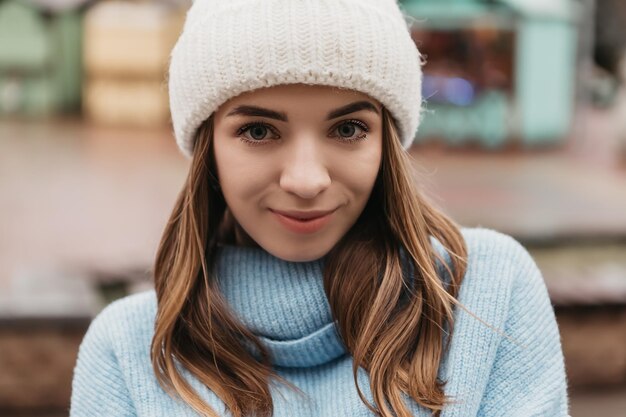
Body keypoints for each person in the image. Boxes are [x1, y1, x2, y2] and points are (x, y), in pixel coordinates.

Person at [70, 0, 569, 416]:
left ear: (386, 142)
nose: (306, 181)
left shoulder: (488, 295)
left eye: (348, 129)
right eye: (259, 131)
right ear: (208, 148)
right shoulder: (127, 352)